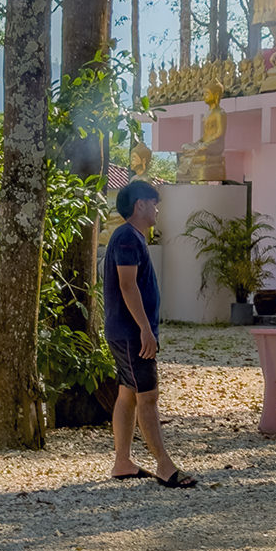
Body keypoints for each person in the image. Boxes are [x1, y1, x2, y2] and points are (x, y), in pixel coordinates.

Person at [103, 178, 196, 488]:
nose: (157, 209)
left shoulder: (131, 237)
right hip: (131, 333)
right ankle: (165, 466)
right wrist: (145, 329)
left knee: (128, 393)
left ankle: (123, 462)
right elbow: (127, 285)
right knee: (148, 395)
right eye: (154, 203)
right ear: (140, 205)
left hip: (125, 331)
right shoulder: (128, 238)